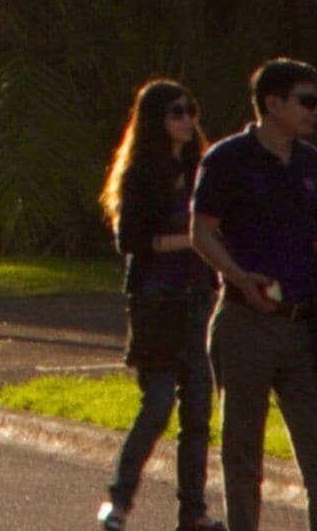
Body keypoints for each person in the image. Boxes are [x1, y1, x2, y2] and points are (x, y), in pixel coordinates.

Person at [188, 57, 317, 531]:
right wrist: (239, 277)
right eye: (306, 101)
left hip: (305, 322)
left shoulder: (311, 162)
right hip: (246, 320)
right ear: (273, 104)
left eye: (316, 102)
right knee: (243, 449)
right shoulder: (226, 160)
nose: (314, 111)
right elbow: (202, 232)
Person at [99, 78, 218, 531]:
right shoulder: (142, 173)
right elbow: (131, 241)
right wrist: (191, 240)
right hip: (156, 300)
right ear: (155, 120)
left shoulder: (200, 167)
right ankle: (119, 500)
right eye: (176, 113)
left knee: (198, 413)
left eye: (191, 111)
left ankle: (194, 511)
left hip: (198, 298)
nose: (187, 121)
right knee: (158, 404)